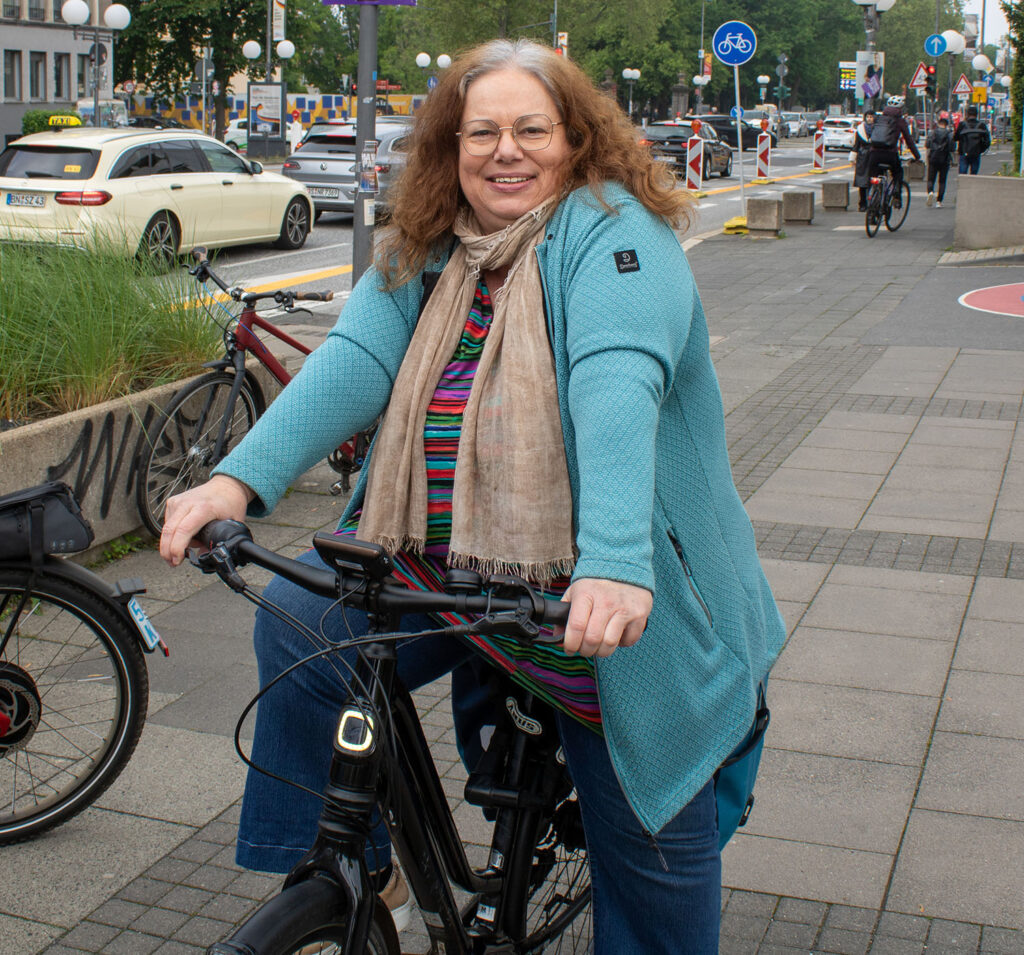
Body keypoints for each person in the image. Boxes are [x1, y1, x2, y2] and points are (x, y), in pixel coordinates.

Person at [160, 38, 785, 954]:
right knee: (302, 619)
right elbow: (357, 358)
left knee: (652, 849)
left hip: (613, 599)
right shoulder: (430, 242)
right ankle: (352, 880)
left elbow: (615, 382)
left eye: (531, 129)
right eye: (480, 131)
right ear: (450, 148)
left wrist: (614, 564)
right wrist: (234, 479)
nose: (505, 151)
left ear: (575, 141)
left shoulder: (616, 234)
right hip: (450, 567)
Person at [867, 94, 921, 204]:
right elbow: (909, 140)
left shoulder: (878, 118)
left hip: (874, 154)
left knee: (873, 176)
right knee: (898, 172)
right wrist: (917, 156)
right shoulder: (900, 121)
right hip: (890, 154)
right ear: (901, 109)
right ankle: (896, 196)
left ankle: (871, 200)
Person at [850, 109, 876, 211]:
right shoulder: (860, 129)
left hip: (874, 156)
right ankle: (862, 204)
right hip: (862, 157)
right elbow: (856, 144)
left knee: (873, 180)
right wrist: (853, 158)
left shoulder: (878, 128)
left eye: (871, 117)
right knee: (862, 181)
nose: (869, 119)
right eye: (868, 117)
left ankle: (873, 202)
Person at [925, 114, 953, 207]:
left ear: (938, 124)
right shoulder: (949, 134)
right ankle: (939, 201)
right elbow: (952, 147)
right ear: (946, 125)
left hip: (933, 157)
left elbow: (927, 144)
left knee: (931, 178)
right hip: (944, 159)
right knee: (942, 181)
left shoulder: (932, 132)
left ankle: (930, 192)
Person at [955, 104, 991, 175]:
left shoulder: (962, 125)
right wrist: (981, 149)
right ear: (977, 114)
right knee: (974, 174)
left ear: (967, 114)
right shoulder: (982, 125)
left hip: (963, 152)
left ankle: (963, 185)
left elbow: (955, 137)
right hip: (976, 153)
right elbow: (987, 141)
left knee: (962, 174)